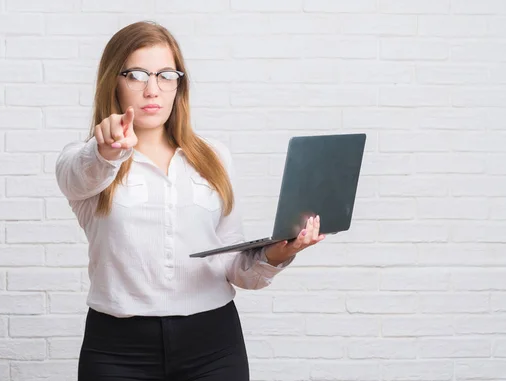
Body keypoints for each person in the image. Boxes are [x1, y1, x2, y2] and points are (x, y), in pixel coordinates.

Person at [55, 21, 325, 381]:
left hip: (214, 344)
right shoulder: (86, 160)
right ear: (113, 82)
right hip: (118, 349)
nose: (152, 89)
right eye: (136, 74)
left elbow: (232, 265)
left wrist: (281, 252)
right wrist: (106, 150)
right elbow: (83, 172)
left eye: (166, 75)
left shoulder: (214, 157)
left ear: (179, 85)